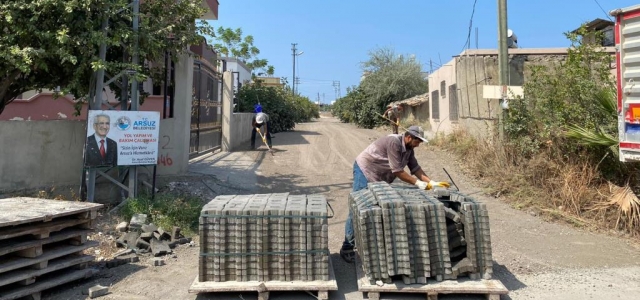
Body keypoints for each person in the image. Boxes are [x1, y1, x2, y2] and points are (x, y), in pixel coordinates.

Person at [339, 125, 451, 263]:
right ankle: (347, 247)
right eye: (418, 141)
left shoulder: (409, 149)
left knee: (376, 207)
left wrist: (432, 182)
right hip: (365, 169)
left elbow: (415, 168)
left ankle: (367, 243)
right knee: (357, 206)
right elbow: (398, 171)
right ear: (409, 137)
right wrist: (418, 183)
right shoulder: (394, 143)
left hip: (380, 175)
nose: (418, 145)